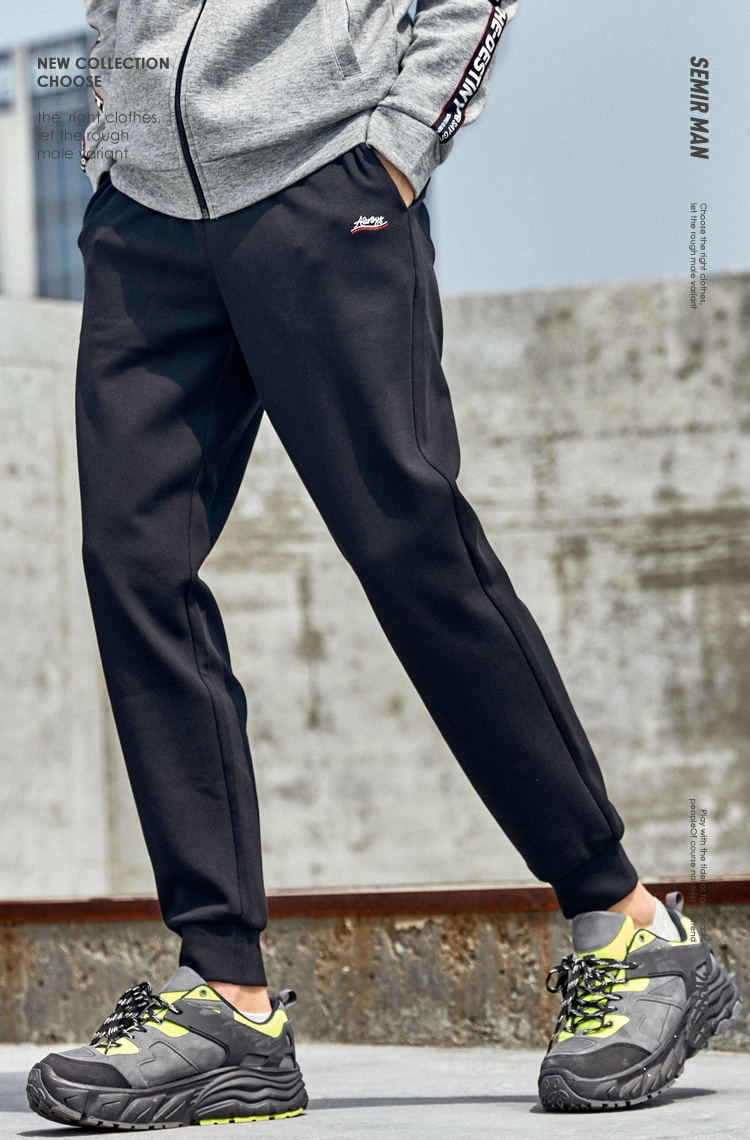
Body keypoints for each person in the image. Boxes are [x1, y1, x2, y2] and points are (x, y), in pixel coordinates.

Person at [26, 0, 740, 1125]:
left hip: (321, 183)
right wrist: (115, 130)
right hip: (147, 217)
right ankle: (226, 997)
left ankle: (630, 928)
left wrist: (400, 144)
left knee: (411, 548)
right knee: (133, 568)